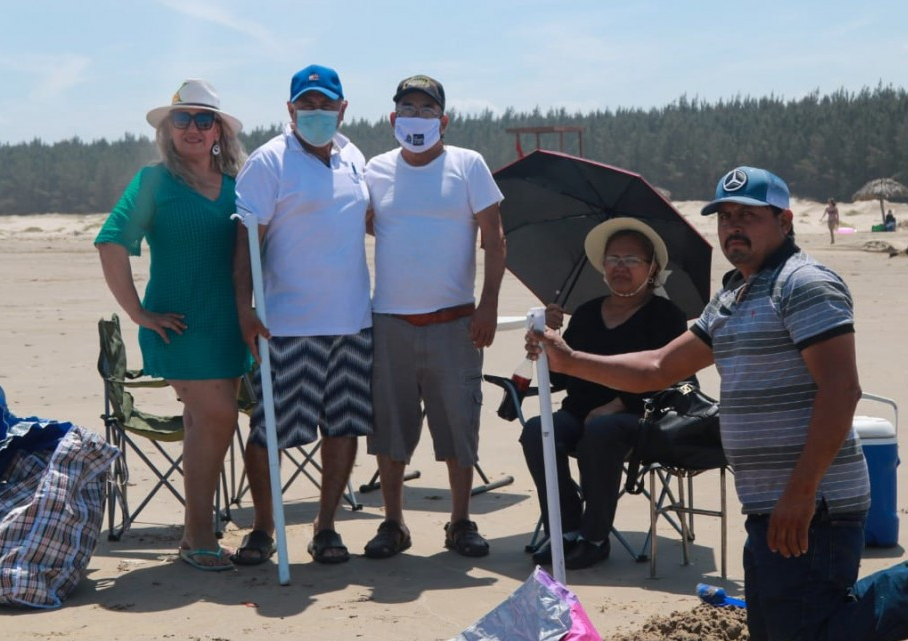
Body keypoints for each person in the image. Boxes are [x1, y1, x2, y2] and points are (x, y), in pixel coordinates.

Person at [527, 166, 908, 641]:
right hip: (765, 500)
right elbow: (657, 367)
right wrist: (569, 360)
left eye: (748, 216)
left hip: (815, 503)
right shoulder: (732, 295)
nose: (733, 226)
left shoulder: (804, 284)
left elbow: (841, 390)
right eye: (725, 217)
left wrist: (802, 492)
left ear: (784, 221)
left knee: (811, 633)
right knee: (779, 631)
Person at [95, 79, 249, 571]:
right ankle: (198, 536)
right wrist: (137, 312)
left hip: (230, 326)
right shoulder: (154, 182)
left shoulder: (239, 186)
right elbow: (110, 242)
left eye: (205, 120)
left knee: (207, 422)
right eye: (182, 119)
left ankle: (196, 533)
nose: (193, 128)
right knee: (218, 416)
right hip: (178, 327)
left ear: (219, 131)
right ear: (168, 129)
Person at [231, 64, 372, 565]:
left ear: (342, 108)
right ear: (290, 110)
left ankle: (326, 526)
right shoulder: (269, 161)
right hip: (287, 325)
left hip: (353, 322)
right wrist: (245, 309)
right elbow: (246, 243)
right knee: (269, 430)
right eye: (307, 105)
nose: (317, 112)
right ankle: (263, 528)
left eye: (325, 104)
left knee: (343, 426)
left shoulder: (354, 156)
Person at [361, 74, 506, 559]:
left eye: (427, 110)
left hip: (456, 322)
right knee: (390, 427)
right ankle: (393, 523)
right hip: (390, 322)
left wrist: (488, 304)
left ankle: (460, 521)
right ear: (393, 118)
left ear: (443, 121)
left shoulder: (468, 165)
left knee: (459, 424)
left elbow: (495, 238)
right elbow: (363, 224)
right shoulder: (375, 170)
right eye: (408, 108)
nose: (416, 118)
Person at [519, 218, 690, 570]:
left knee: (601, 430)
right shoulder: (585, 313)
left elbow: (672, 378)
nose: (620, 267)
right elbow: (561, 376)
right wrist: (549, 340)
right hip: (580, 412)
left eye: (631, 260)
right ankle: (565, 530)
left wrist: (618, 404)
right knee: (537, 430)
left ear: (652, 269)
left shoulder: (668, 316)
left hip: (641, 417)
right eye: (613, 259)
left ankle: (595, 539)